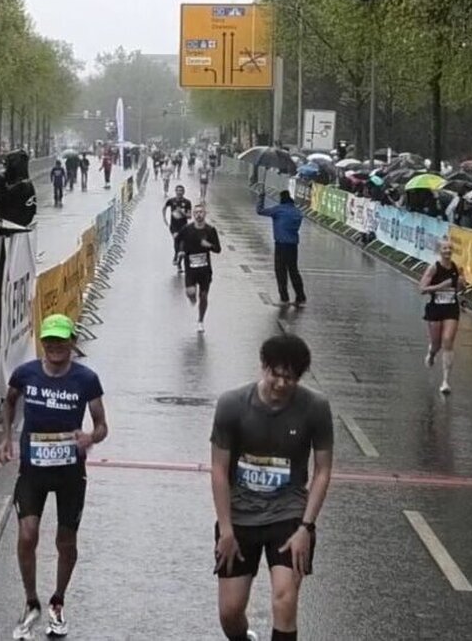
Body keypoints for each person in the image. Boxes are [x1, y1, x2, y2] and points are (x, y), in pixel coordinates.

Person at [210, 334, 333, 641]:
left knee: (284, 599)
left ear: (299, 378)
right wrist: (226, 530)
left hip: (288, 515)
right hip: (240, 517)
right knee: (229, 613)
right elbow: (218, 470)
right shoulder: (232, 405)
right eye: (274, 375)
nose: (280, 384)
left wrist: (306, 527)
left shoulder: (315, 407)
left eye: (288, 379)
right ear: (263, 367)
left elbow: (322, 470)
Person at [0, 314, 108, 640]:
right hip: (33, 470)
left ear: (72, 342)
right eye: (49, 341)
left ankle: (57, 602)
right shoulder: (26, 374)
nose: (55, 347)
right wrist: (5, 437)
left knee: (65, 541)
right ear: (42, 343)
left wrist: (91, 437)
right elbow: (10, 401)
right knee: (27, 534)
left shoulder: (86, 379)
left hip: (70, 473)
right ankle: (31, 603)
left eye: (61, 341)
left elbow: (102, 424)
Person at [419, 239, 465, 394]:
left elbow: (460, 289)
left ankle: (445, 381)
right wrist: (440, 286)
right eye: (445, 249)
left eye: (450, 249)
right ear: (440, 251)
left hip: (451, 308)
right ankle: (431, 354)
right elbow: (422, 289)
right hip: (435, 309)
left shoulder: (456, 268)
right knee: (436, 344)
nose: (447, 251)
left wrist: (461, 284)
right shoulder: (434, 268)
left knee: (448, 341)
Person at [257, 190, 307, 307]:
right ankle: (301, 296)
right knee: (293, 271)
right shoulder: (297, 212)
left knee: (281, 271)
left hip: (281, 244)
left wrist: (261, 198)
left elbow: (260, 211)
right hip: (293, 245)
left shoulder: (278, 209)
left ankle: (284, 298)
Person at [177, 204, 222, 332]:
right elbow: (180, 241)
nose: (198, 214)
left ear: (205, 213)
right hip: (190, 267)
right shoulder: (187, 229)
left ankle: (200, 320)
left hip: (205, 269)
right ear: (193, 214)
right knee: (190, 293)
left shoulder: (210, 230)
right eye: (196, 212)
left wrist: (209, 245)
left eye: (201, 212)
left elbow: (218, 249)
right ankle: (192, 297)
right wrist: (180, 251)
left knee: (204, 296)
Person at [162, 185, 192, 271]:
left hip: (184, 227)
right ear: (175, 191)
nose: (179, 192)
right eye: (178, 190)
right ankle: (176, 255)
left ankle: (179, 263)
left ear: (184, 192)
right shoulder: (171, 201)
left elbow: (189, 216)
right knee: (176, 240)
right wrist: (164, 218)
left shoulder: (187, 202)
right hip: (174, 226)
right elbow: (164, 208)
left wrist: (182, 213)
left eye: (181, 191)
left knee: (182, 247)